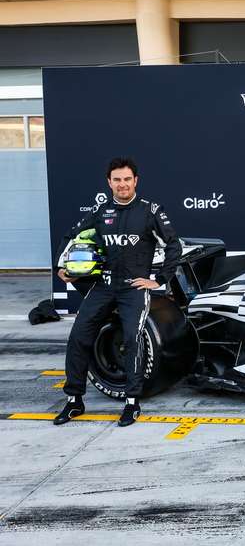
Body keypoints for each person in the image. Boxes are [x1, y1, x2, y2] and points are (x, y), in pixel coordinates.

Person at [52, 158, 181, 427]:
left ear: (136, 181)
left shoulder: (150, 211)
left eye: (127, 179)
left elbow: (173, 245)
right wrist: (61, 265)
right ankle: (74, 400)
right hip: (103, 285)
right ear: (109, 182)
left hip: (133, 287)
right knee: (78, 337)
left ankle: (131, 403)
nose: (122, 184)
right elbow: (72, 235)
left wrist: (158, 279)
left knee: (132, 340)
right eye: (117, 180)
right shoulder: (100, 212)